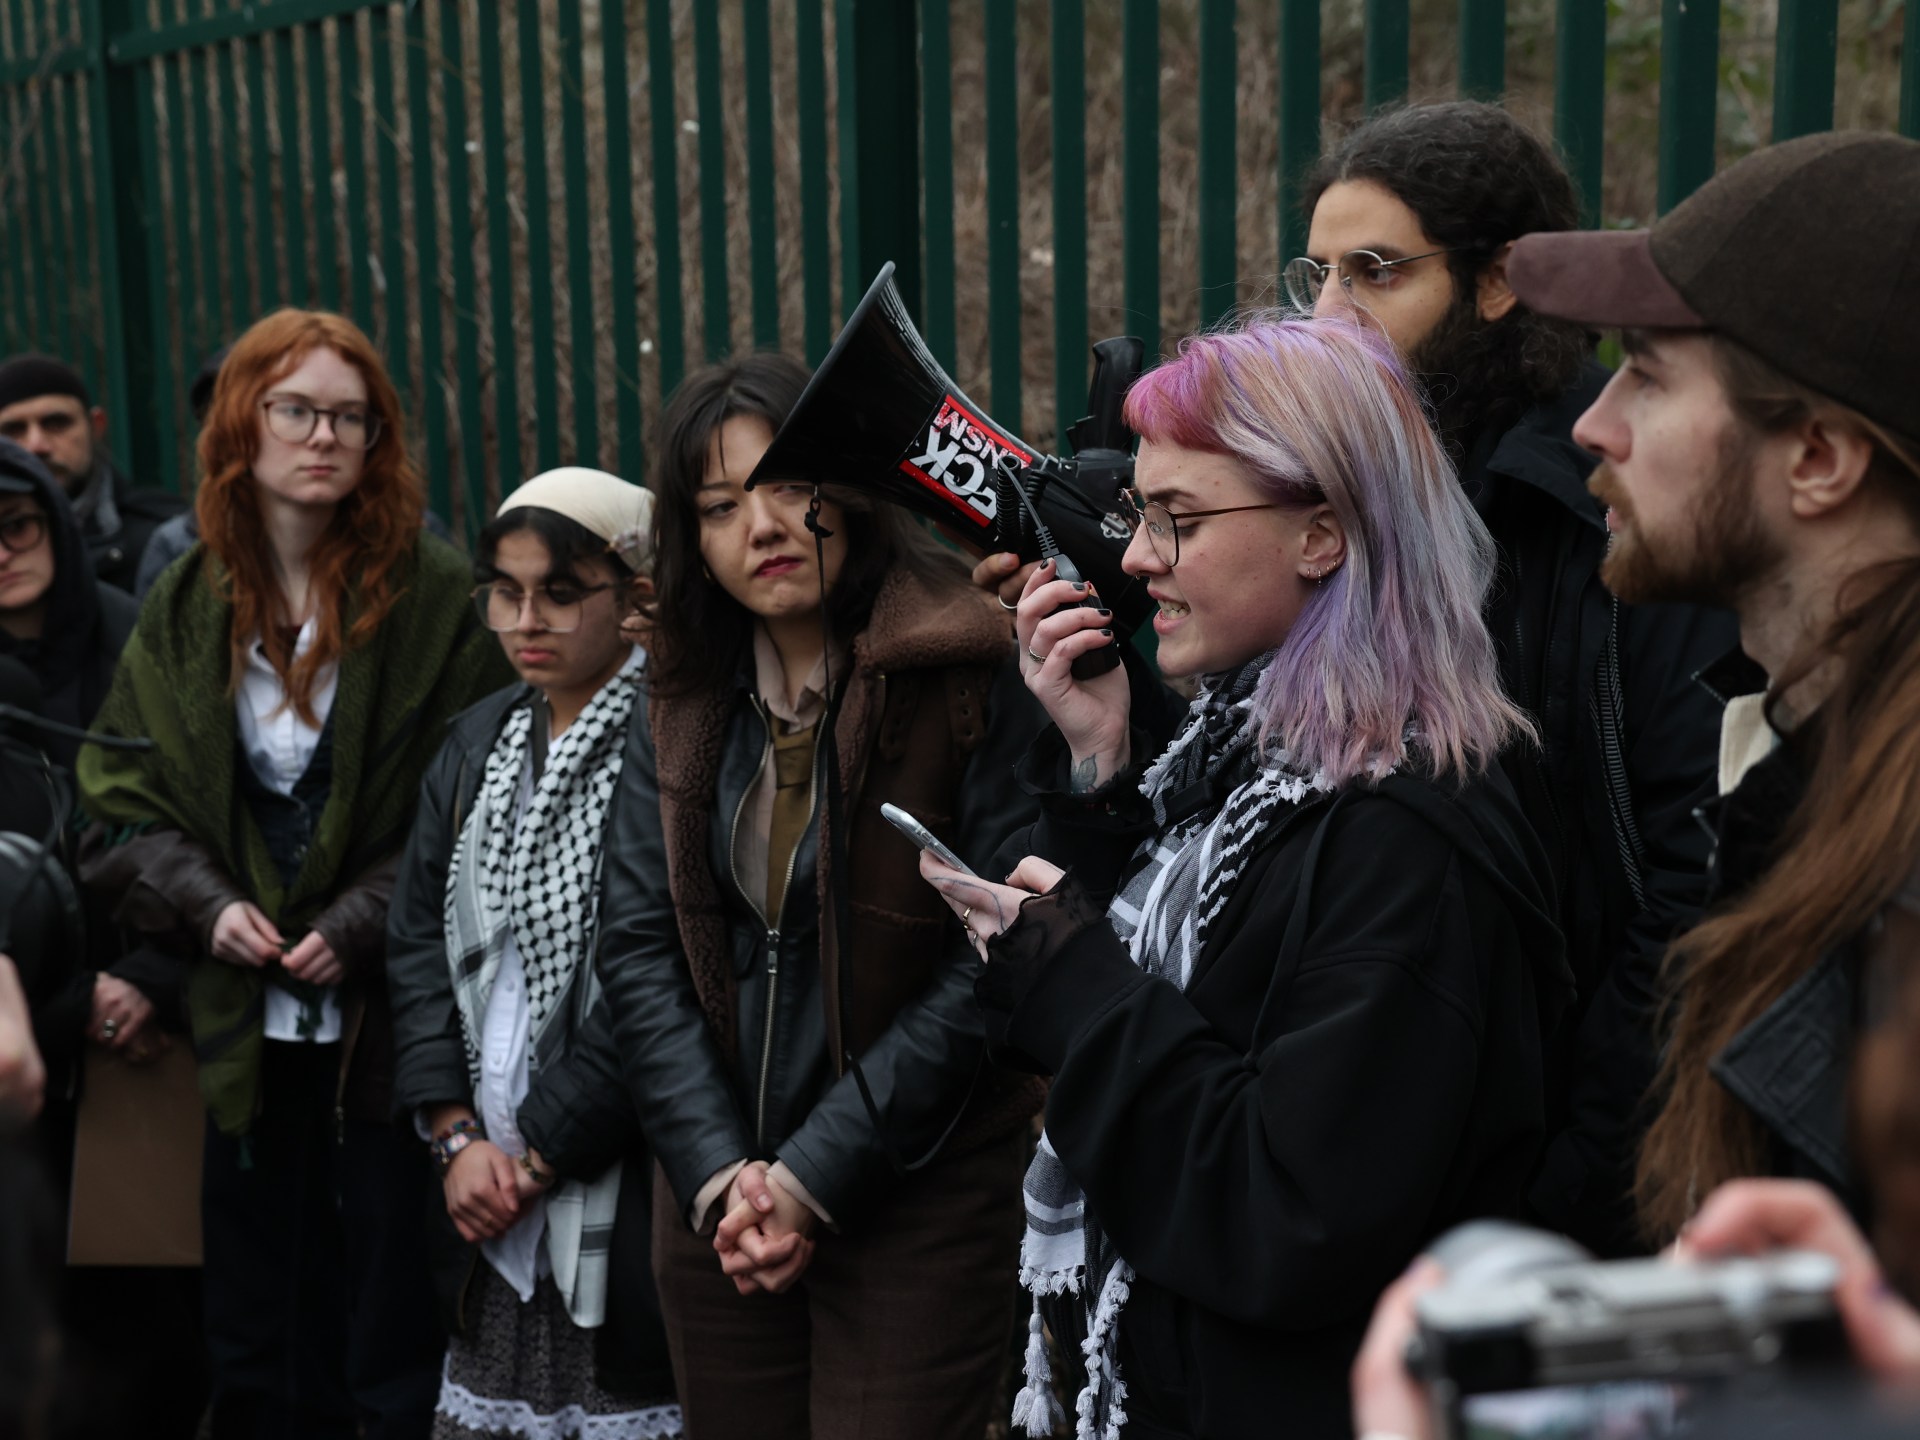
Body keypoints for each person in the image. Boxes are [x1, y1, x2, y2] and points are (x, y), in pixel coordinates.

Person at [920, 316, 1571, 1438]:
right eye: (1140, 514)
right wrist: (1100, 771)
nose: (1136, 558)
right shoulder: (1246, 760)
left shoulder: (1403, 834)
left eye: (1176, 519)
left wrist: (1071, 981)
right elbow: (1172, 1004)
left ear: (1323, 535)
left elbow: (1290, 1212)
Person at [1292, 100, 1736, 1255]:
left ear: (1496, 284)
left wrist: (1570, 1184)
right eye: (1318, 275)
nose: (1329, 318)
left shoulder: (1613, 506)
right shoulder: (1337, 502)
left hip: (1581, 1185)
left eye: (1375, 273)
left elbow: (1695, 887)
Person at [76, 307, 514, 1440]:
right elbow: (113, 803)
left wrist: (363, 916)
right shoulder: (189, 600)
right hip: (236, 1018)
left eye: (350, 418)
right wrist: (207, 905)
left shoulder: (432, 593)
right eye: (296, 411)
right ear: (243, 422)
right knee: (256, 1315)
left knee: (388, 1312)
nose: (324, 436)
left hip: (390, 1020)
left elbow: (481, 798)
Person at [593, 351, 1046, 1438]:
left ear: (848, 487)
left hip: (920, 1187)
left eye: (789, 483)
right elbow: (640, 950)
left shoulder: (969, 663)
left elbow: (996, 954)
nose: (763, 525)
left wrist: (814, 1173)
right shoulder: (676, 690)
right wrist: (723, 1176)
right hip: (721, 1201)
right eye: (719, 505)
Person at [1504, 129, 1920, 1247]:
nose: (1593, 424)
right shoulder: (1798, 751)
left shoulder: (1897, 879)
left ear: (1818, 459)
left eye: (1646, 374)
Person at [388, 469, 681, 1440]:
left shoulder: (677, 742)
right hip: (480, 1184)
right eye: (505, 593)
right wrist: (455, 1136)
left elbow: (666, 969)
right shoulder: (479, 743)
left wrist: (542, 1150)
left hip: (617, 1188)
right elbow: (417, 947)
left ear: (636, 592)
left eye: (558, 592)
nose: (525, 621)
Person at [0, 353, 187, 593]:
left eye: (56, 423)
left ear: (96, 425)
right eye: (14, 430)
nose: (36, 445)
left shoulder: (167, 539)